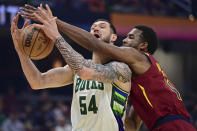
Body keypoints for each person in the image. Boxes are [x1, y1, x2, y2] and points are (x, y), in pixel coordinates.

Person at [20, 4, 196, 131]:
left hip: (173, 125)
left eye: (130, 38)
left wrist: (55, 24)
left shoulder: (133, 60)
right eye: (93, 27)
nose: (125, 41)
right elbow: (133, 125)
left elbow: (94, 50)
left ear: (143, 46)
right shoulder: (140, 87)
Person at [11, 7, 138, 130]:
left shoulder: (120, 69)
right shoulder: (75, 69)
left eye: (102, 27)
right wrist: (20, 50)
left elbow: (83, 71)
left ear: (114, 37)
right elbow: (37, 81)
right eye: (93, 28)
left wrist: (56, 36)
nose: (96, 28)